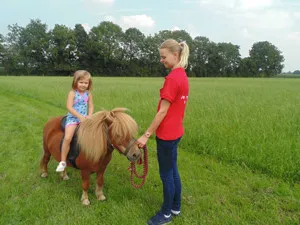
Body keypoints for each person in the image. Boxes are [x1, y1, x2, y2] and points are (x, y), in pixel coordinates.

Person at [137, 39, 190, 225]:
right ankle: (176, 207)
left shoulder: (172, 79)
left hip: (166, 135)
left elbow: (162, 111)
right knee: (174, 170)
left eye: (163, 57)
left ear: (175, 55)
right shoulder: (182, 76)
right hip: (177, 132)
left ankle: (166, 214)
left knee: (166, 174)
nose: (162, 60)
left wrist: (146, 135)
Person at [56, 70, 94, 172]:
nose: (83, 85)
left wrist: (89, 115)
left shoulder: (88, 94)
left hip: (85, 119)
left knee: (94, 135)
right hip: (73, 118)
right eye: (81, 82)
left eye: (86, 83)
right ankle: (63, 161)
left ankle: (91, 156)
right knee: (68, 138)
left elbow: (91, 106)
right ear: (75, 82)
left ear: (89, 84)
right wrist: (79, 116)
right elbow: (69, 107)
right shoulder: (72, 93)